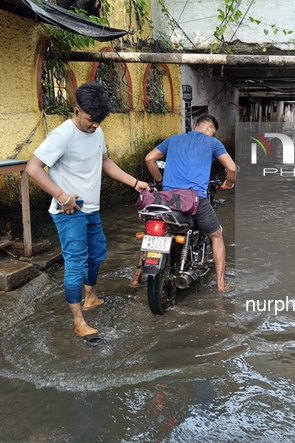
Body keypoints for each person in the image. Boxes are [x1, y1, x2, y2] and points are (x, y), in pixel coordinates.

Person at [25, 82, 150, 341]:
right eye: (90, 121)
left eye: (98, 122)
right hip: (69, 212)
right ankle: (78, 321)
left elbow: (104, 161)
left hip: (91, 208)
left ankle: (90, 297)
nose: (94, 126)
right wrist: (62, 196)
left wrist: (135, 183)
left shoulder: (98, 132)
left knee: (98, 255)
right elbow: (33, 168)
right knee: (75, 264)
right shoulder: (62, 135)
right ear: (76, 110)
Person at [145, 114, 236, 291]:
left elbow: (150, 158)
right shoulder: (212, 143)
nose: (212, 135)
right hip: (194, 199)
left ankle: (136, 278)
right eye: (213, 132)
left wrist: (159, 181)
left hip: (167, 199)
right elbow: (231, 168)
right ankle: (221, 285)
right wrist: (229, 183)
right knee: (216, 235)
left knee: (153, 232)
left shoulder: (173, 139)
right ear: (209, 128)